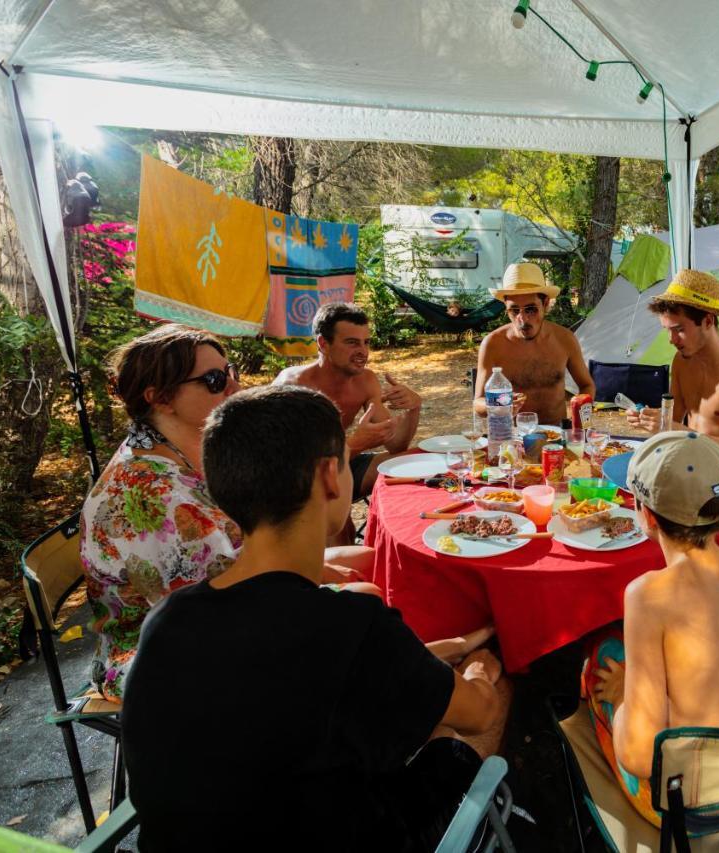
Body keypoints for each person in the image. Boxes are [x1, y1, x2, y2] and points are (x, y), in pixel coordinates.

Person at [122, 385, 506, 851]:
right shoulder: (351, 626)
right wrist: (482, 665)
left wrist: (433, 655)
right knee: (482, 705)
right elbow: (476, 713)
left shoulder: (167, 618)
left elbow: (289, 684)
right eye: (346, 460)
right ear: (329, 476)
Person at [79, 324, 380, 701]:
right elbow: (214, 612)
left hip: (225, 590)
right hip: (158, 656)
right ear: (161, 398)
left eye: (230, 371)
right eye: (214, 379)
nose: (234, 386)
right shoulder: (148, 496)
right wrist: (317, 586)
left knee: (369, 560)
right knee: (363, 598)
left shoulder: (180, 450)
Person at [583, 431, 719, 833]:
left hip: (687, 808)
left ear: (645, 516)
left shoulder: (648, 596)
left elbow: (638, 757)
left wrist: (621, 694)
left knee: (601, 657)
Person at [626, 269, 719, 522]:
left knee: (674, 524)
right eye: (667, 330)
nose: (671, 339)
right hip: (685, 466)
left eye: (679, 329)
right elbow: (673, 419)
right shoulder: (682, 361)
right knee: (629, 500)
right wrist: (651, 420)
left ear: (708, 321)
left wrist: (675, 429)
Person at [274, 302, 423, 499]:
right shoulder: (294, 387)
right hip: (297, 482)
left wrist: (414, 407)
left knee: (417, 459)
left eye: (366, 342)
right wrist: (357, 444)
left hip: (343, 461)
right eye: (352, 342)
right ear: (323, 344)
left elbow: (396, 446)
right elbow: (294, 468)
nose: (363, 351)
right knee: (340, 525)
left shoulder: (366, 381)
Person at [473, 262, 595, 425]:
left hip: (558, 438)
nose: (522, 319)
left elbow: (587, 386)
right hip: (512, 439)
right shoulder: (493, 344)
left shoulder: (565, 339)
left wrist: (578, 424)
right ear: (505, 308)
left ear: (545, 304)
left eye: (531, 309)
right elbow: (478, 403)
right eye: (514, 310)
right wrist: (498, 404)